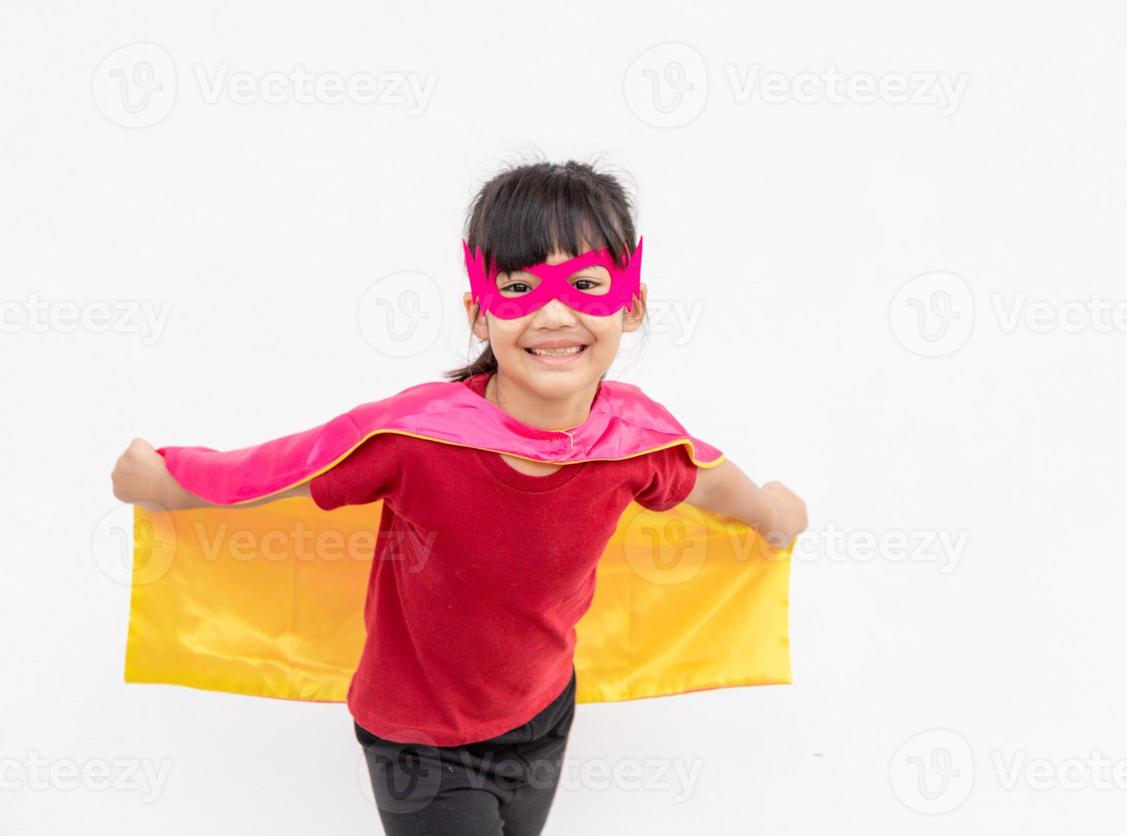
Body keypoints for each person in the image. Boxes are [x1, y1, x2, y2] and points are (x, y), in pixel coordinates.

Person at [111, 158, 808, 835]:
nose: (555, 313)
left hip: (543, 715)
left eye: (586, 284)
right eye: (520, 287)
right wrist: (169, 482)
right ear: (480, 314)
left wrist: (773, 514)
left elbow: (709, 477)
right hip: (417, 740)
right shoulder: (417, 436)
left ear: (632, 306)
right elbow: (284, 469)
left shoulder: (635, 443)